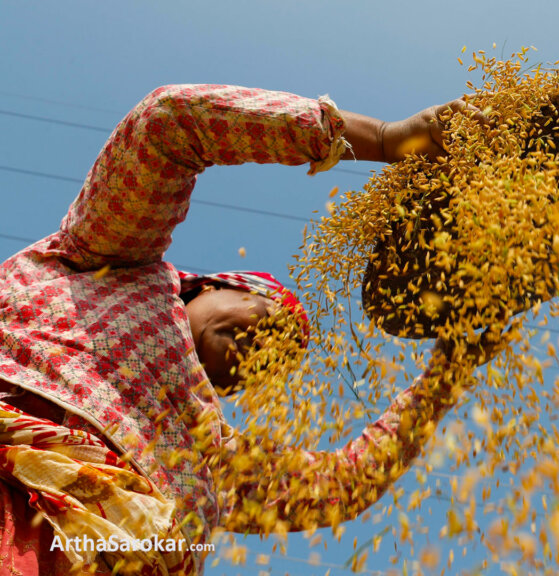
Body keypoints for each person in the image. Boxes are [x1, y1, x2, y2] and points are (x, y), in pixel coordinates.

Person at [0, 84, 501, 575]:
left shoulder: (211, 458)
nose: (260, 350)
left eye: (270, 363)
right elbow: (169, 121)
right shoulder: (110, 259)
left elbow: (343, 485)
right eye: (268, 323)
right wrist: (386, 138)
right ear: (214, 287)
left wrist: (449, 370)